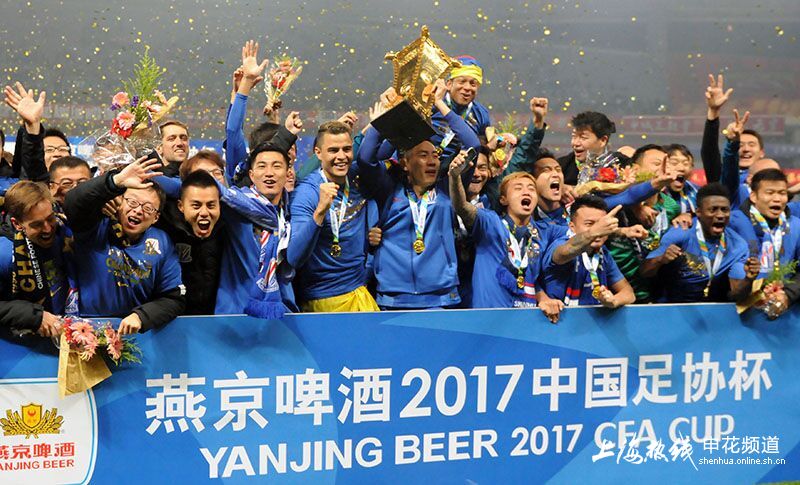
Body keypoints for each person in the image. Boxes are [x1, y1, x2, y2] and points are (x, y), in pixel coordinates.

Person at [358, 83, 481, 310]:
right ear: (405, 162)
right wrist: (385, 118)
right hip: (394, 298)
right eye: (423, 155)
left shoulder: (448, 186)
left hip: (441, 298)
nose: (432, 161)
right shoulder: (389, 188)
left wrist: (439, 103)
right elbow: (366, 158)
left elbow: (473, 144)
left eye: (435, 155)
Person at [64, 157, 185, 334]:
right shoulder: (96, 226)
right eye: (132, 202)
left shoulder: (162, 242)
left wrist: (141, 316)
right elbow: (72, 202)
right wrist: (115, 181)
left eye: (148, 208)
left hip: (134, 333)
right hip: (85, 330)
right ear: (120, 202)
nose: (138, 211)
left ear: (156, 217)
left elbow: (173, 298)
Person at [449, 152, 566, 321]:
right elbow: (462, 206)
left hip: (527, 320)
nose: (526, 192)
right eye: (518, 188)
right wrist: (454, 177)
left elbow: (575, 239)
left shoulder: (547, 231)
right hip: (487, 322)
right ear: (503, 199)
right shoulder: (490, 223)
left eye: (531, 189)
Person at [288, 121, 378, 312]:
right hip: (321, 300)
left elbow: (379, 152)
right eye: (333, 150)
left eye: (347, 149)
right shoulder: (307, 192)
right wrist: (320, 212)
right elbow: (294, 258)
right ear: (318, 153)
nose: (341, 156)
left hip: (359, 293)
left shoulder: (358, 178)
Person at [215, 142, 296, 316]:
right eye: (262, 166)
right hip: (236, 312)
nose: (269, 173)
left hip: (281, 311)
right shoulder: (236, 205)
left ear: (288, 173)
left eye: (277, 166)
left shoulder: (291, 211)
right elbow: (190, 189)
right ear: (251, 175)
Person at [642, 183, 759, 303]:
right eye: (713, 210)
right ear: (698, 212)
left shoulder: (738, 246)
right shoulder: (680, 234)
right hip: (670, 306)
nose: (720, 215)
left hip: (711, 308)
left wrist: (748, 279)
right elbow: (644, 272)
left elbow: (736, 293)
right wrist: (661, 259)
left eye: (725, 210)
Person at [0, 181, 75, 338]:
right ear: (17, 224)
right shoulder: (4, 254)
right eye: (37, 225)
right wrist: (32, 315)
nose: (48, 229)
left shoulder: (63, 230)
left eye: (50, 218)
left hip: (65, 328)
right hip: (23, 342)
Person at [542, 196, 635, 308]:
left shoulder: (603, 253)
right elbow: (564, 252)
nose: (599, 230)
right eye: (589, 224)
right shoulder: (560, 244)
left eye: (602, 225)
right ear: (572, 227)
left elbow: (628, 293)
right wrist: (594, 232)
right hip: (557, 317)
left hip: (593, 318)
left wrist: (613, 301)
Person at [431, 55, 492, 160]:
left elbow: (480, 148)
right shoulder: (432, 103)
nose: (467, 87)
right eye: (462, 82)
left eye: (473, 84)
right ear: (449, 84)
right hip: (428, 164)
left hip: (460, 167)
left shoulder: (481, 114)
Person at [558, 111, 622, 188]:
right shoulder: (561, 166)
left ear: (603, 140)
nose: (575, 143)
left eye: (583, 137)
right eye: (574, 136)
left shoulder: (620, 165)